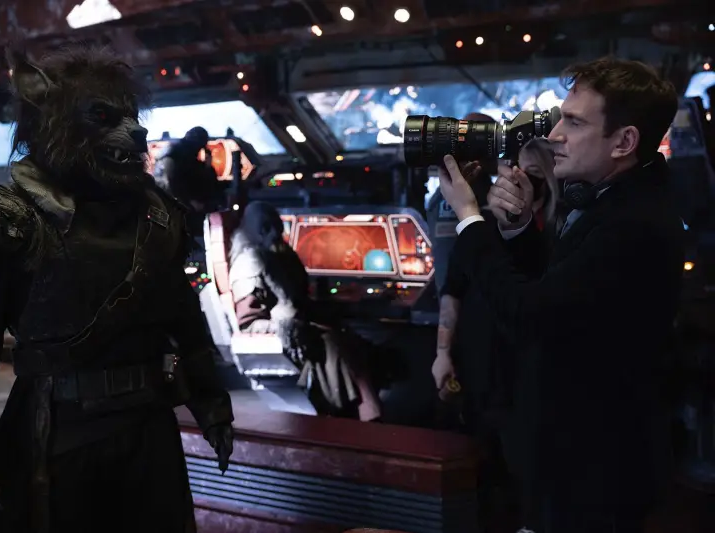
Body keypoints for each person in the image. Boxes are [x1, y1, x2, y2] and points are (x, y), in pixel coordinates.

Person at [0, 46, 234, 533]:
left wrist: (212, 403)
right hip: (54, 439)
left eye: (130, 116)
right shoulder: (5, 222)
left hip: (148, 432)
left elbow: (182, 317)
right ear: (53, 120)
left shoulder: (158, 217)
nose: (134, 131)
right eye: (102, 116)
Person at [437, 57, 683, 532]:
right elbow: (558, 292)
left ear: (624, 142)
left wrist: (469, 219)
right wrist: (519, 231)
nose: (553, 137)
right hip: (571, 457)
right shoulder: (611, 201)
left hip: (594, 469)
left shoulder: (634, 225)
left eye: (573, 122)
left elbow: (531, 317)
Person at [432, 137, 559, 531]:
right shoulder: (481, 229)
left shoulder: (557, 234)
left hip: (530, 379)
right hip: (480, 367)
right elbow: (453, 290)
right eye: (517, 170)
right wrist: (442, 352)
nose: (521, 181)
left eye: (535, 175)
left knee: (527, 474)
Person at [229, 201, 382, 421]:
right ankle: (363, 415)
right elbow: (249, 322)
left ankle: (363, 412)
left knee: (350, 342)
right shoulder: (249, 264)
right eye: (267, 227)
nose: (274, 233)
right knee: (334, 346)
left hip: (306, 323)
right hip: (290, 335)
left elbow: (300, 297)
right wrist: (285, 325)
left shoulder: (280, 255)